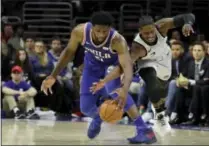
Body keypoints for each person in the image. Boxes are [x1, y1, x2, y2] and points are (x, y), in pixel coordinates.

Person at [41, 11, 156, 144]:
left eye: (105, 31)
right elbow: (68, 52)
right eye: (98, 31)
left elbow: (127, 66)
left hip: (112, 68)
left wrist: (125, 89)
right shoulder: (80, 31)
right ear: (92, 27)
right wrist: (53, 75)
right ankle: (99, 116)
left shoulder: (117, 40)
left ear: (110, 29)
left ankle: (144, 129)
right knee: (85, 108)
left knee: (116, 91)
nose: (101, 35)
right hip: (92, 68)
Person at [91, 13, 195, 129]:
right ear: (140, 31)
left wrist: (187, 23)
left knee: (160, 88)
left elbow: (189, 15)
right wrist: (104, 81)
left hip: (165, 60)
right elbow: (122, 68)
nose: (150, 35)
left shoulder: (162, 26)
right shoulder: (137, 48)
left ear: (155, 27)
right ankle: (160, 116)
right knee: (151, 80)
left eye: (151, 31)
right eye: (146, 33)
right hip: (147, 63)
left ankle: (157, 110)